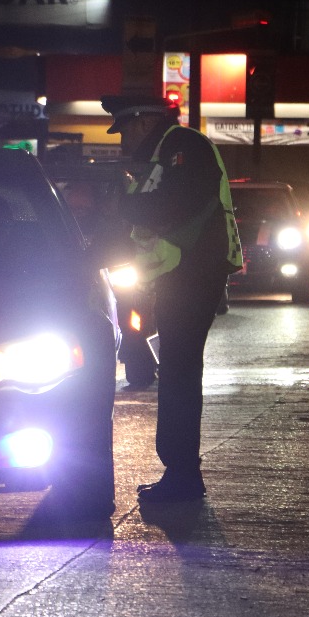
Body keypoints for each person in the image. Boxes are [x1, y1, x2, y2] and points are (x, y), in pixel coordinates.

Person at [101, 94, 242, 503]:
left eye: (125, 129)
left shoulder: (184, 147)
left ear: (145, 122)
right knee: (178, 372)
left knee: (180, 373)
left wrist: (124, 203)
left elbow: (173, 206)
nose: (123, 140)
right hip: (179, 276)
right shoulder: (162, 156)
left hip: (194, 275)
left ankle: (182, 476)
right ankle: (181, 472)